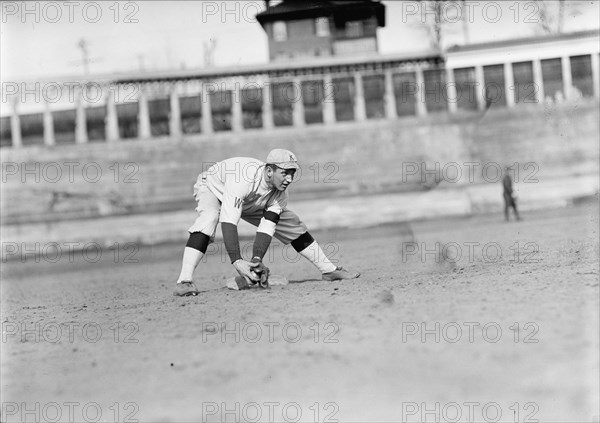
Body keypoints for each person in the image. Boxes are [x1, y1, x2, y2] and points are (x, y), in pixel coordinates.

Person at [173, 148, 360, 296]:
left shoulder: (280, 194)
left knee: (290, 222)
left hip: (249, 200)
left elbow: (267, 226)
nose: (290, 179)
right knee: (210, 217)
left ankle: (329, 270)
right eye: (285, 173)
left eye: (293, 173)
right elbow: (229, 222)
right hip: (212, 187)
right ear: (269, 170)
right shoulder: (243, 178)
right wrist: (237, 261)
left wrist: (256, 261)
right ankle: (184, 281)